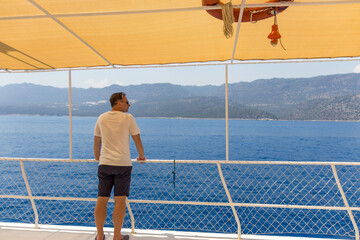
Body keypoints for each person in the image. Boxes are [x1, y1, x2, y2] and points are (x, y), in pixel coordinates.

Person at [93, 92, 146, 240]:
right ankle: (117, 236)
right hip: (122, 165)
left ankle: (99, 236)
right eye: (127, 102)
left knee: (101, 199)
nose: (129, 105)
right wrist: (141, 157)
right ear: (118, 103)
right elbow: (137, 139)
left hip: (104, 164)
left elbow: (97, 142)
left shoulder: (101, 118)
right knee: (120, 201)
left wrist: (98, 158)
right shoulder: (128, 118)